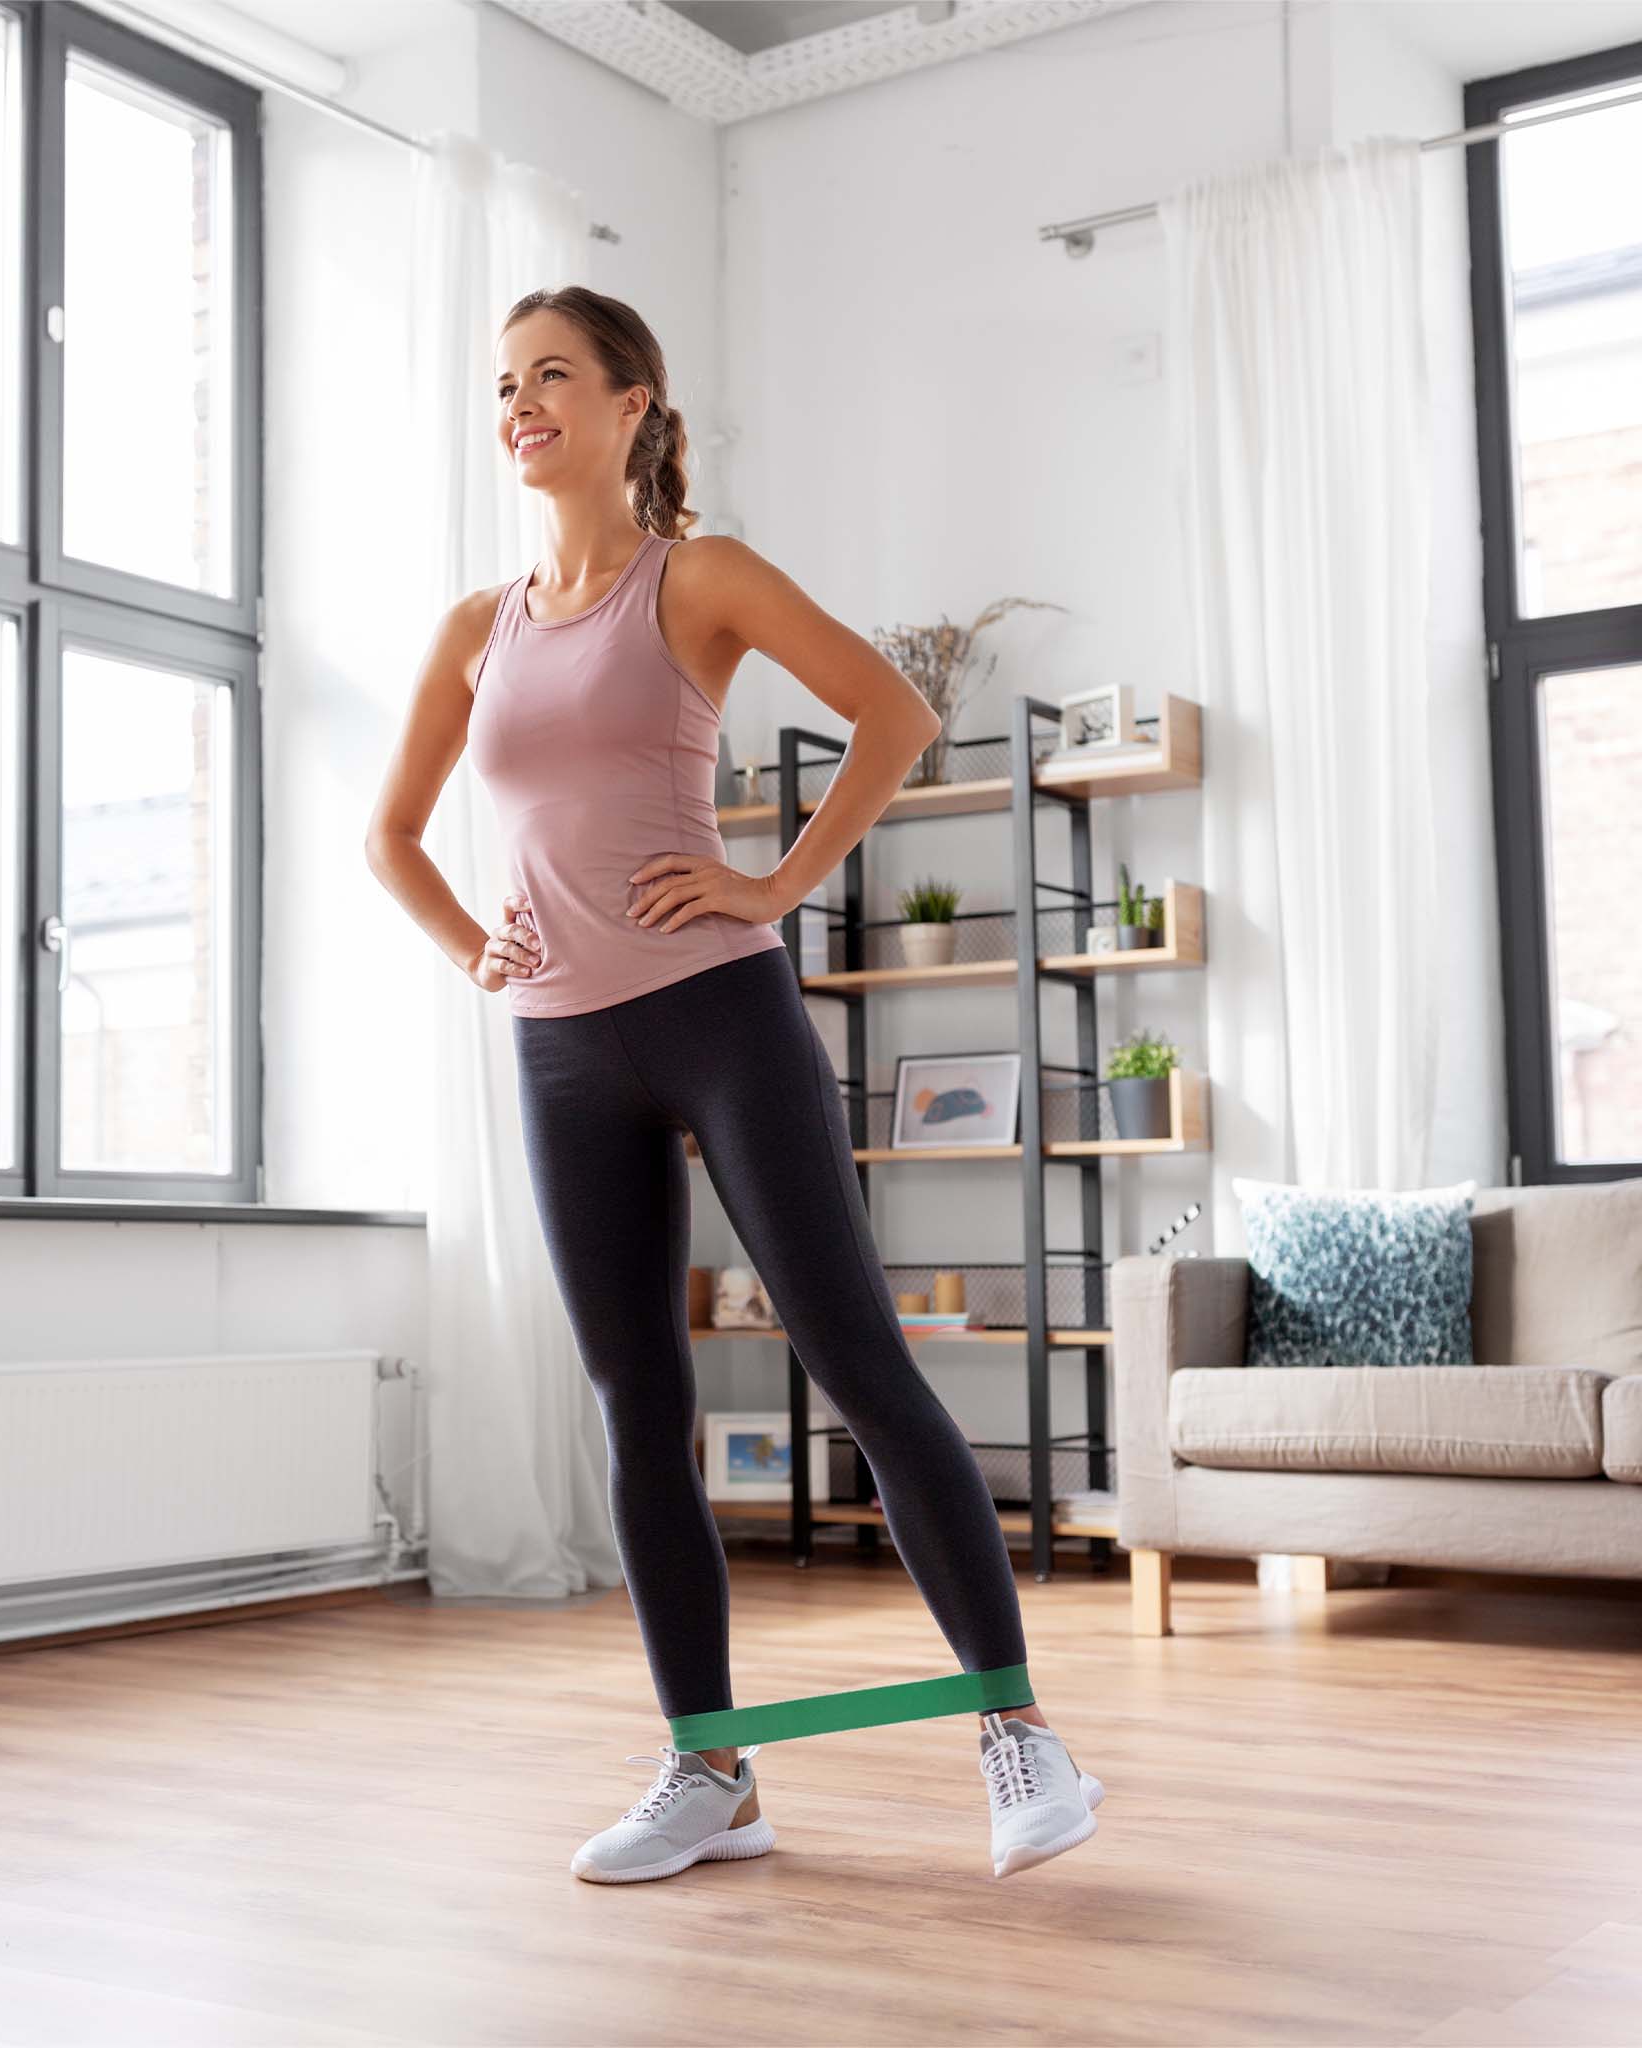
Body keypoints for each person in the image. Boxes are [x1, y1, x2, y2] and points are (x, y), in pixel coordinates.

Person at [364, 284, 1103, 1883]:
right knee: (643, 1408)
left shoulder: (695, 578)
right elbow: (393, 834)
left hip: (720, 1011)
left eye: (552, 376)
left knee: (860, 1359)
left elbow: (892, 717)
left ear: (635, 404)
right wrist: (469, 949)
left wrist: (773, 887)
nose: (521, 405)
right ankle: (712, 1773)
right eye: (504, 385)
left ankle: (1017, 1733)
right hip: (561, 1048)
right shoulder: (473, 630)